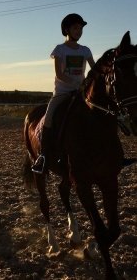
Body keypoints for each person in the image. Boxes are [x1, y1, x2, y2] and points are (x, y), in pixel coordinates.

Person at [32, 13, 136, 174]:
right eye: (75, 28)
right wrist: (77, 83)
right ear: (67, 29)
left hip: (81, 93)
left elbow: (96, 70)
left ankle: (118, 155)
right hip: (62, 92)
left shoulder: (85, 50)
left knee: (107, 114)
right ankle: (44, 155)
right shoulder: (59, 50)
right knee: (50, 115)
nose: (79, 31)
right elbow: (59, 74)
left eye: (80, 29)